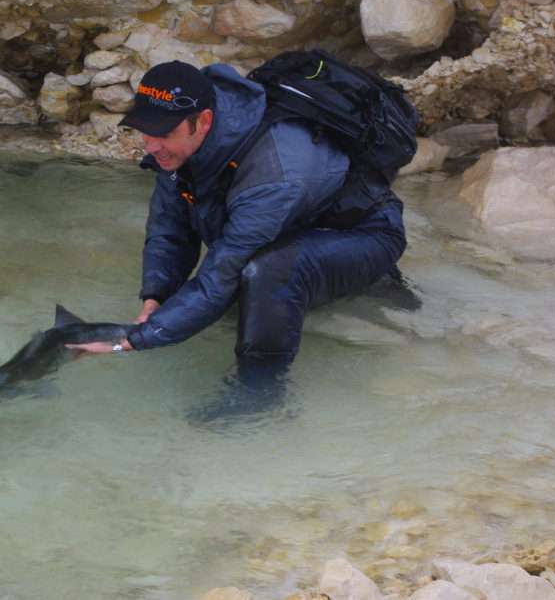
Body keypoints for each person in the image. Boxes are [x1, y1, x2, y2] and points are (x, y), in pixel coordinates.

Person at [68, 60, 408, 419]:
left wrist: (131, 343)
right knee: (228, 305)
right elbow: (169, 229)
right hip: (296, 225)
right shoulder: (176, 148)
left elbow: (221, 276)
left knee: (264, 272)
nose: (151, 145)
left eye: (163, 134)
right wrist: (156, 297)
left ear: (204, 122)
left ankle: (260, 397)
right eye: (144, 131)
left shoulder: (274, 173)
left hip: (364, 235)